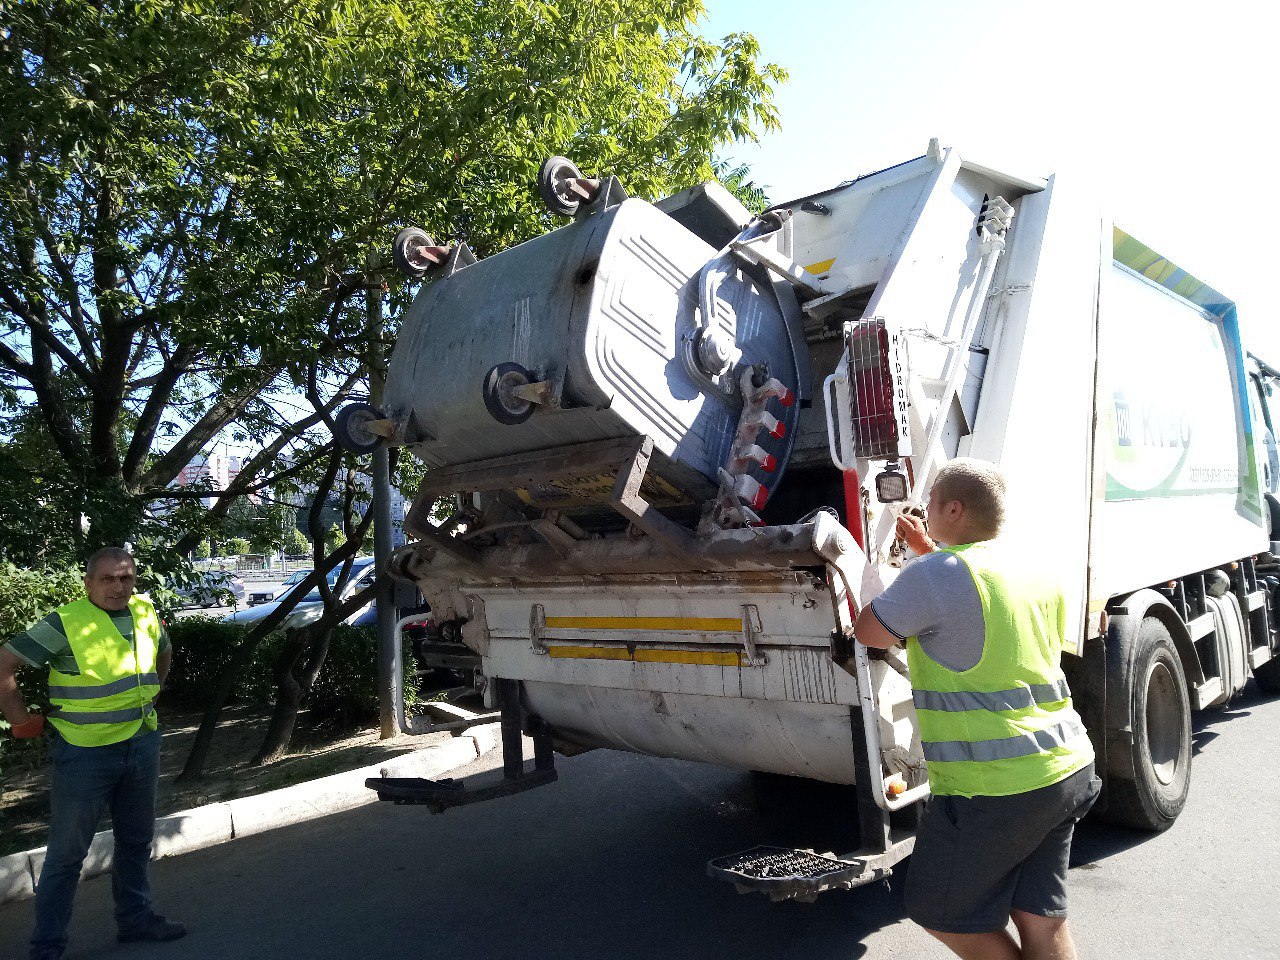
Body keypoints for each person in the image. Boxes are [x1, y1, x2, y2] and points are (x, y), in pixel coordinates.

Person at [853, 459, 1098, 960]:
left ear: (954, 509)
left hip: (994, 785)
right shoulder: (1033, 569)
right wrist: (930, 552)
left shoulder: (936, 576)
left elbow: (869, 631)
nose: (924, 513)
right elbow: (976, 606)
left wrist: (916, 568)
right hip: (1064, 766)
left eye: (932, 505)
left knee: (938, 908)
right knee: (1041, 920)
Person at [0, 547, 187, 960]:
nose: (118, 586)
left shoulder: (144, 611)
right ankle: (47, 946)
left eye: (126, 578)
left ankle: (135, 919)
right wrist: (20, 718)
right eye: (108, 579)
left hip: (140, 741)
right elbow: (3, 663)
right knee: (67, 855)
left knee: (136, 840)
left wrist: (154, 691)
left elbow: (164, 648)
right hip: (84, 754)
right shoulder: (66, 622)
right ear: (87, 583)